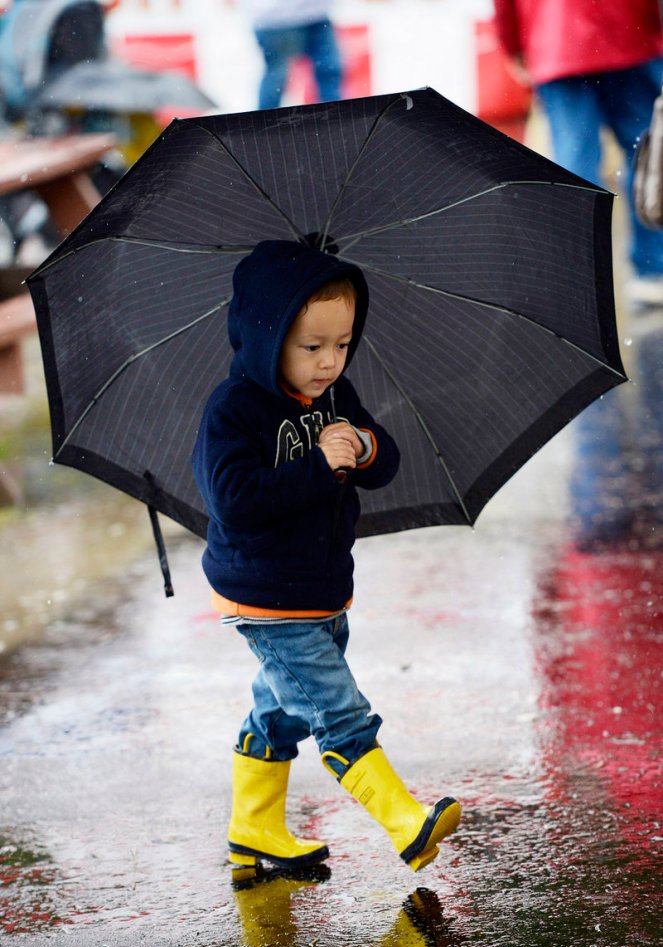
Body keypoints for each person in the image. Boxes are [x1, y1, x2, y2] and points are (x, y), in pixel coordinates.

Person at [192, 239, 461, 876]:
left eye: (342, 345)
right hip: (264, 594)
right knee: (336, 708)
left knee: (279, 711)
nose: (329, 362)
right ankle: (405, 824)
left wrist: (364, 447)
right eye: (311, 347)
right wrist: (317, 467)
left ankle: (253, 830)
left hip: (320, 587)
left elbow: (383, 462)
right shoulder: (234, 412)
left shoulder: (338, 397)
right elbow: (234, 501)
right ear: (267, 337)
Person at [493, 0, 663, 306]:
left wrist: (512, 43)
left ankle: (578, 277)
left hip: (557, 41)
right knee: (645, 155)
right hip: (628, 33)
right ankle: (651, 270)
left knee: (574, 163)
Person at [231, 0, 342, 109]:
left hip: (316, 14)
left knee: (329, 71)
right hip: (276, 18)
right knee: (277, 77)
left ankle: (337, 120)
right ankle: (265, 124)